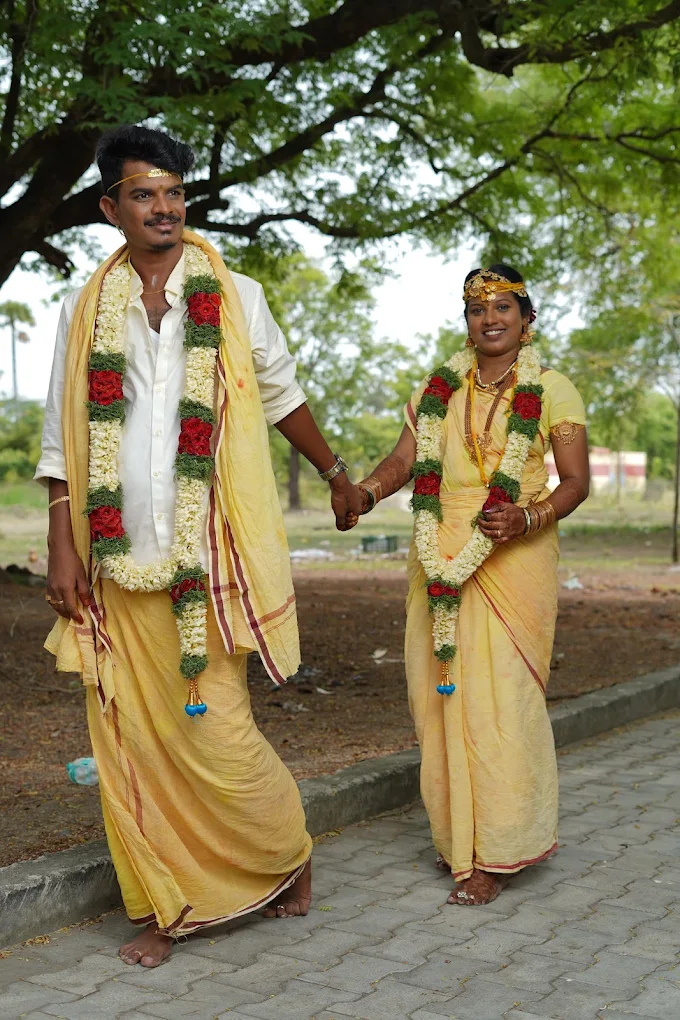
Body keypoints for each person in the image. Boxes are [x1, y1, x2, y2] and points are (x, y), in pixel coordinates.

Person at [35, 124, 362, 967]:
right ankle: (165, 903)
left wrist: (333, 472)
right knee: (127, 733)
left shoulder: (236, 293)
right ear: (110, 208)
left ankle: (283, 851)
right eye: (144, 194)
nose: (164, 208)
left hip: (208, 550)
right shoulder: (84, 304)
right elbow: (60, 432)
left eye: (175, 193)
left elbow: (283, 393)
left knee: (219, 725)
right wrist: (63, 542)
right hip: (110, 551)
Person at [346, 265, 589, 905]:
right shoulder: (439, 391)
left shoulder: (555, 389)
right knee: (440, 698)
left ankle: (501, 848)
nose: (491, 320)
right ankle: (461, 843)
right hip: (440, 553)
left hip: (515, 554)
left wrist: (526, 516)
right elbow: (405, 461)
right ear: (468, 323)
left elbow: (573, 482)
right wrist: (367, 491)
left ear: (526, 319)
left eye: (503, 308)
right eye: (478, 311)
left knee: (501, 701)